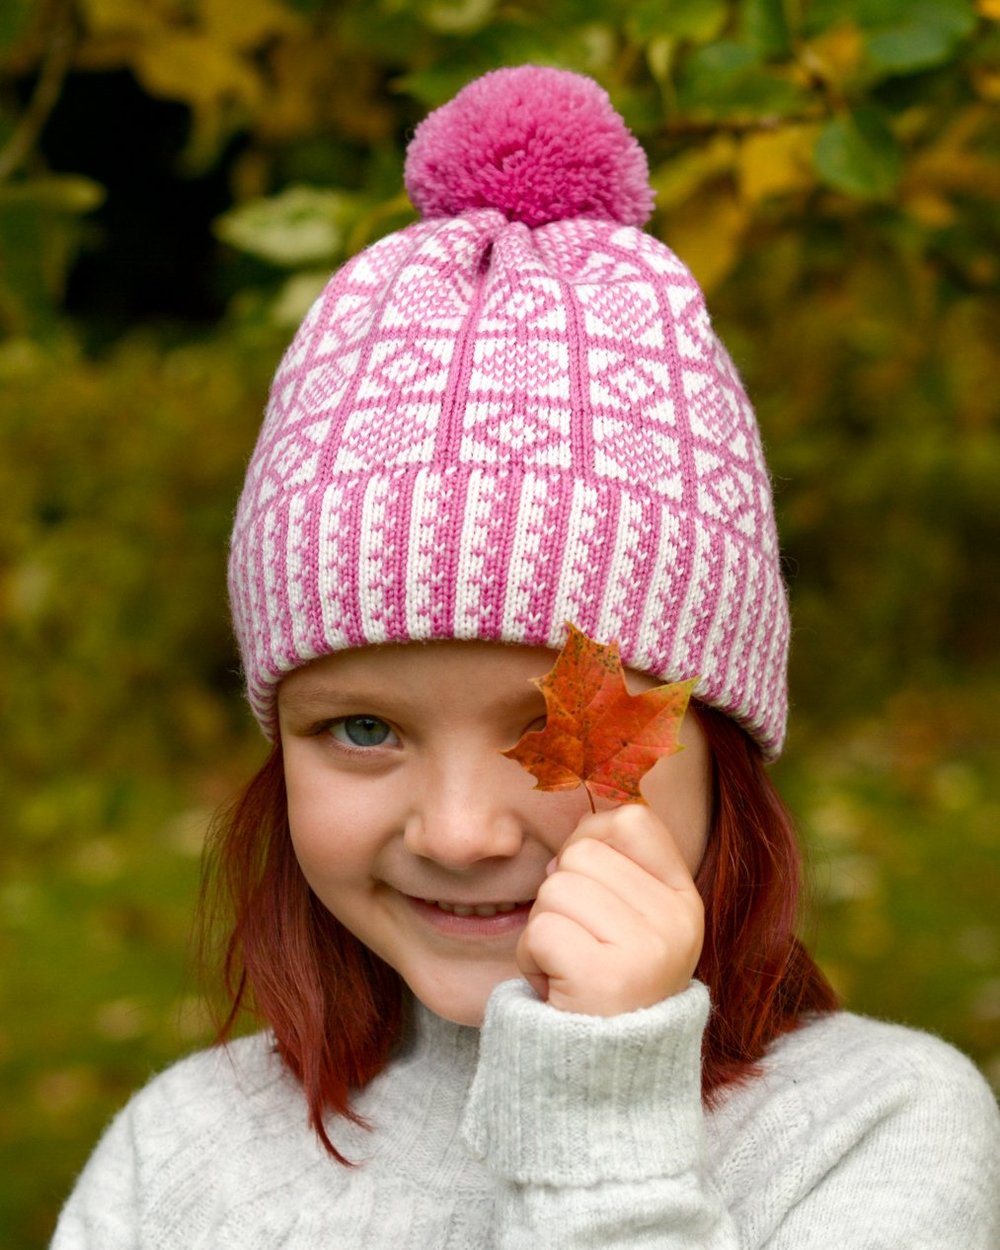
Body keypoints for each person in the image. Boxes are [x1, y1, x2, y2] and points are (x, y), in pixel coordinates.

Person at [51, 65, 999, 1248]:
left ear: (722, 741)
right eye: (361, 729)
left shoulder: (877, 1132)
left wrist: (601, 1123)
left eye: (540, 726)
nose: (457, 831)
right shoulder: (184, 1158)